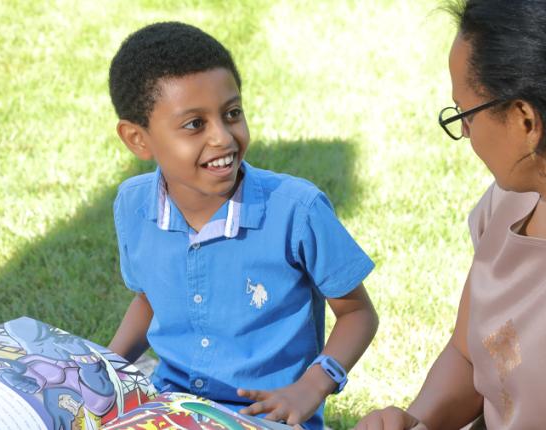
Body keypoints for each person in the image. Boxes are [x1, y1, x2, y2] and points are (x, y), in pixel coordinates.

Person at [356, 0, 546, 429]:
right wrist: (415, 421)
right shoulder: (508, 204)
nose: (463, 131)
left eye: (466, 114)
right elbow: (470, 353)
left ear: (526, 120)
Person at [106, 22, 378, 430]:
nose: (223, 138)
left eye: (231, 113)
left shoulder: (296, 210)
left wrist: (312, 387)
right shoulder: (132, 204)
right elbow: (149, 299)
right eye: (195, 124)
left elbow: (358, 313)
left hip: (266, 419)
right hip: (168, 408)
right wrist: (102, 367)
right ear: (137, 139)